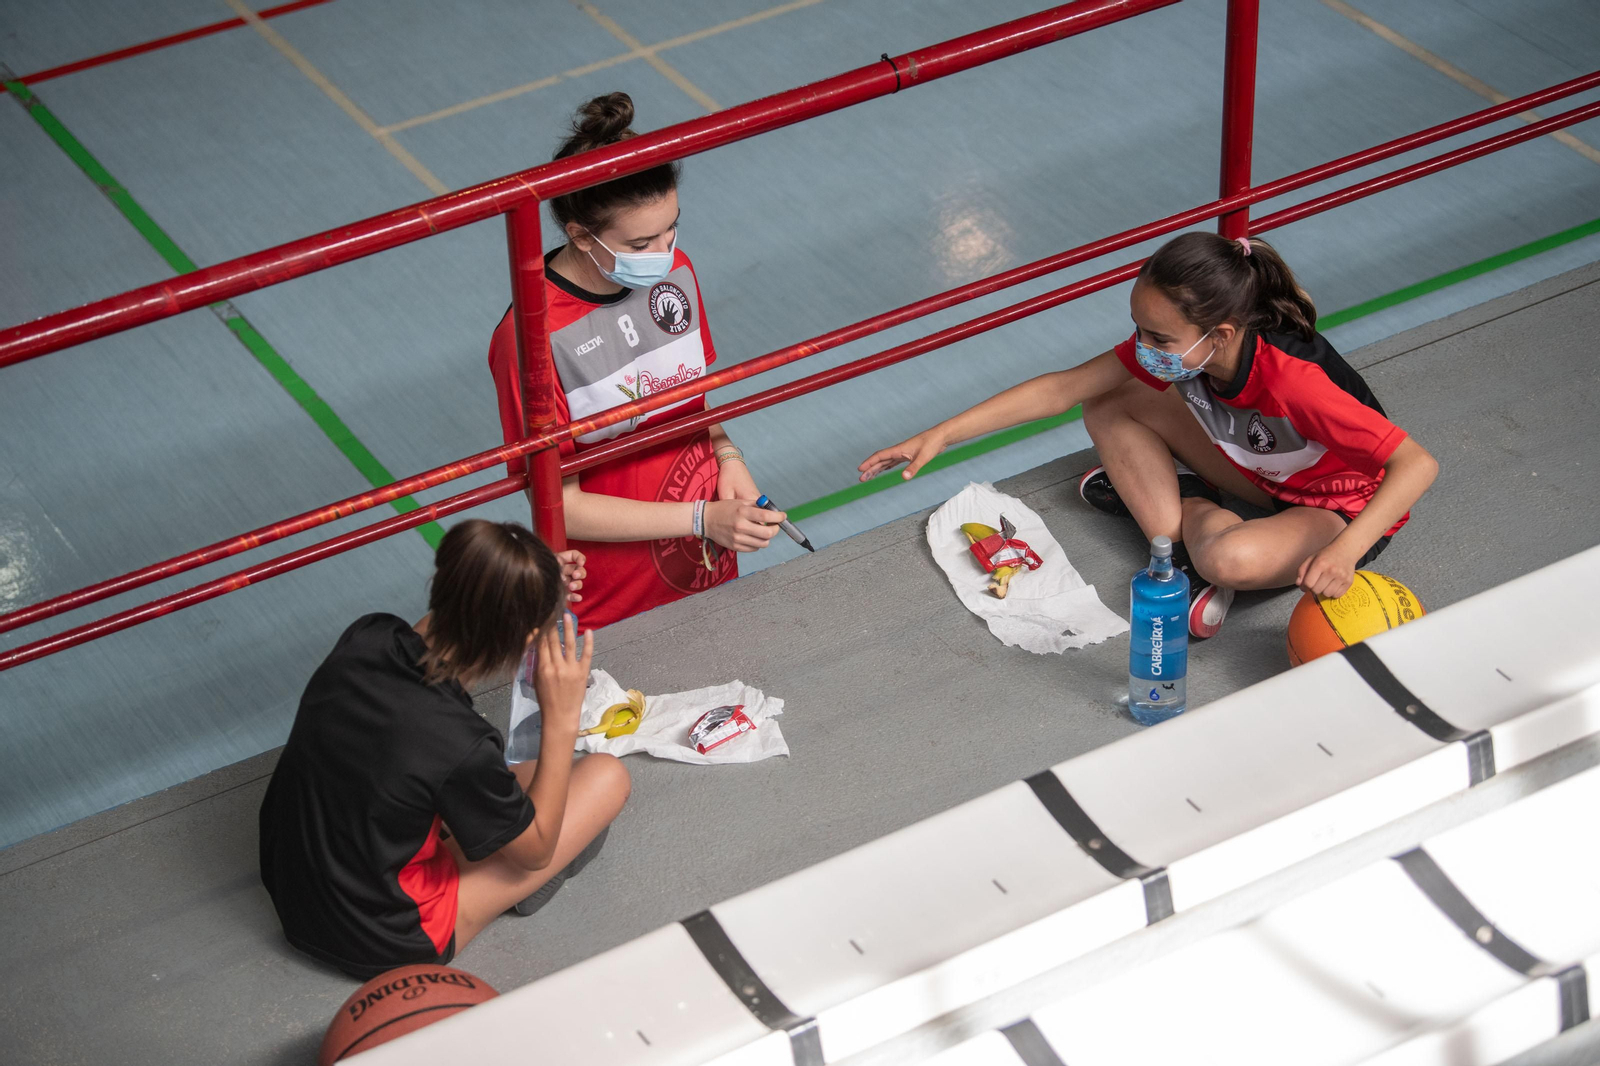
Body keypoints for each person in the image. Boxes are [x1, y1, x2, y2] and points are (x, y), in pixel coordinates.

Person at [858, 232, 1438, 638]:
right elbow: (1063, 388)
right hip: (1264, 472)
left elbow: (1417, 464)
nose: (1144, 347)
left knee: (1229, 558)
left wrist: (1344, 552)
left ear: (1220, 334)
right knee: (1109, 399)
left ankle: (1188, 519)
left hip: (1340, 508)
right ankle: (1179, 543)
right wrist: (941, 434)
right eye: (1139, 329)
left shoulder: (1294, 381)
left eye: (1158, 338)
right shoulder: (1190, 351)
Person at [258, 520, 629, 979]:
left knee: (526, 780)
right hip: (383, 935)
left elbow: (443, 628)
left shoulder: (368, 634)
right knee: (605, 777)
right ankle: (508, 889)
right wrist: (561, 718)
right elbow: (536, 852)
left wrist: (512, 578)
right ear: (524, 637)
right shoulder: (461, 743)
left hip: (292, 891)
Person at [490, 92, 784, 631]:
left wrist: (728, 457)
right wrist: (701, 517)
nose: (664, 252)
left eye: (672, 228)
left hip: (706, 558)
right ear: (581, 236)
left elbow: (692, 397)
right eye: (643, 242)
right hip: (615, 603)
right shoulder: (531, 339)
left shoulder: (678, 272)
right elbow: (558, 502)